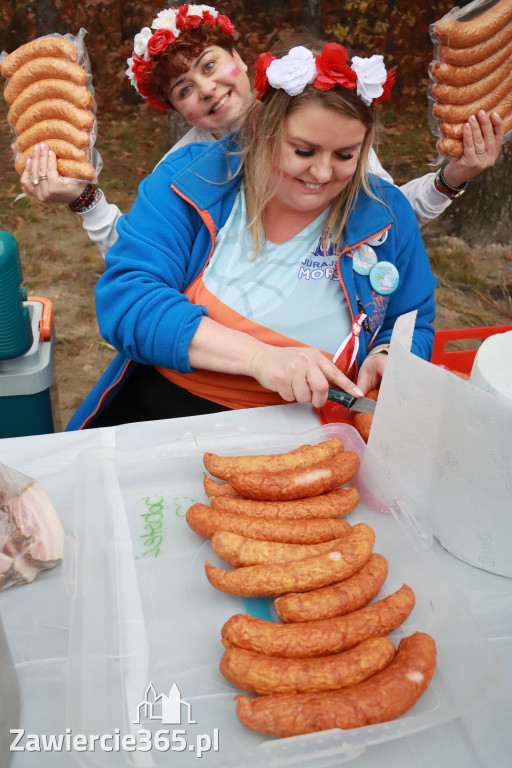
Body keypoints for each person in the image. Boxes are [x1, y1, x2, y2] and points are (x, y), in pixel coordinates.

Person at [67, 36, 437, 430]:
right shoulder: (186, 182)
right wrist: (260, 359)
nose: (324, 174)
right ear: (262, 125)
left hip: (318, 431)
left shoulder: (385, 212)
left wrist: (387, 354)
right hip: (166, 417)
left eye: (345, 155)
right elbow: (129, 301)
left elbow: (412, 317)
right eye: (304, 152)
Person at [21, 5, 504, 256]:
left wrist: (454, 175)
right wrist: (85, 201)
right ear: (177, 111)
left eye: (211, 65)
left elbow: (384, 219)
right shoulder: (181, 170)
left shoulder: (318, 121)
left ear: (239, 58)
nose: (206, 89)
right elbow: (141, 261)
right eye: (184, 90)